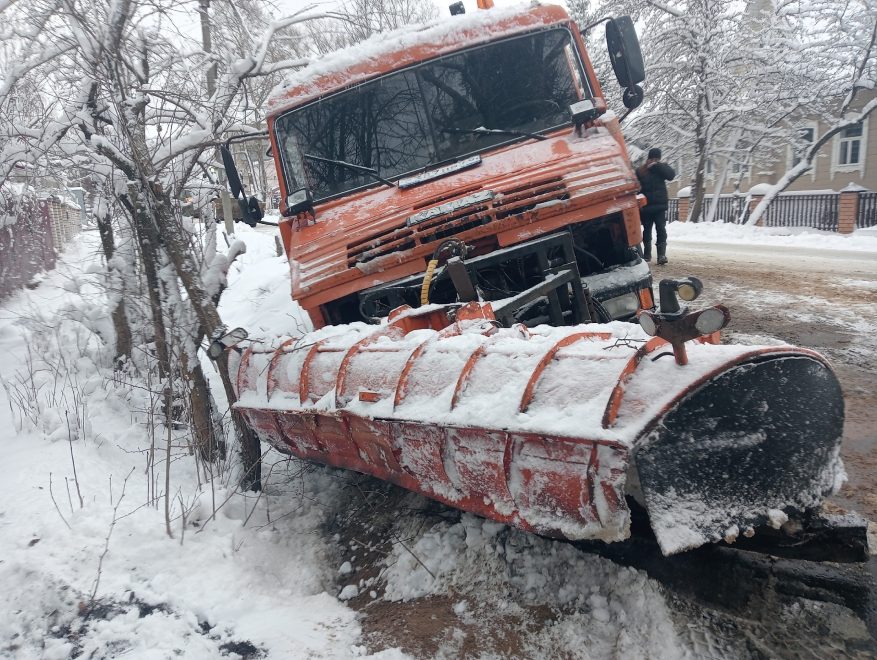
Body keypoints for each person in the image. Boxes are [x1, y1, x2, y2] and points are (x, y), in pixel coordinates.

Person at [636, 148, 676, 265]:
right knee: (647, 230)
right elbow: (636, 185)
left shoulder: (661, 169)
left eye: (656, 159)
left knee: (661, 230)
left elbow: (671, 175)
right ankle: (647, 255)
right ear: (648, 159)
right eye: (652, 158)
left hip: (659, 206)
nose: (654, 161)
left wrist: (657, 166)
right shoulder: (641, 171)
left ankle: (661, 256)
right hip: (646, 207)